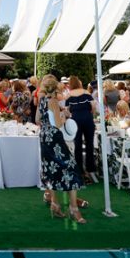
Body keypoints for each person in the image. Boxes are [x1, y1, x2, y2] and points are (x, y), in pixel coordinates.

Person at [38, 74, 87, 222]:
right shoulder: (52, 101)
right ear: (55, 90)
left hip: (44, 137)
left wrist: (55, 116)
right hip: (54, 138)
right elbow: (59, 124)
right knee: (71, 168)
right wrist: (64, 115)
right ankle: (73, 208)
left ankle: (55, 204)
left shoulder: (41, 100)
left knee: (50, 169)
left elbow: (37, 119)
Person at [65, 76, 98, 183]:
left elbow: (66, 111)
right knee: (89, 144)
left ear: (70, 84)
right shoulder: (86, 92)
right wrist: (90, 114)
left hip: (75, 120)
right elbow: (93, 106)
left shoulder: (69, 95)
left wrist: (72, 114)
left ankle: (80, 171)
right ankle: (90, 168)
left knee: (78, 145)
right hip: (87, 118)